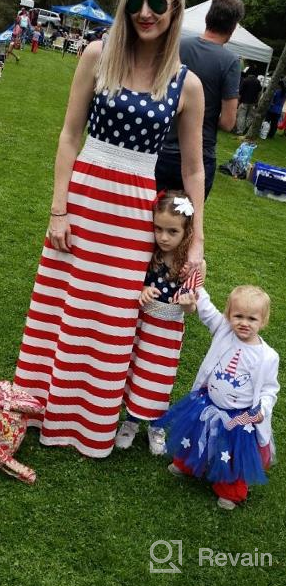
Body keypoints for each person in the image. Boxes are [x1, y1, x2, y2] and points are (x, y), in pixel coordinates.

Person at [14, 0, 205, 459]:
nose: (146, 11)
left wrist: (196, 240)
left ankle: (88, 421)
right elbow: (68, 134)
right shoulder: (97, 55)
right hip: (84, 200)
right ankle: (42, 407)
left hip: (135, 212)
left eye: (158, 3)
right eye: (137, 1)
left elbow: (195, 170)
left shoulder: (187, 84)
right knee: (62, 304)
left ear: (175, 9)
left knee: (111, 319)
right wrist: (59, 209)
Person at [157, 283, 280, 510]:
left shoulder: (268, 357)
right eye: (238, 316)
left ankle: (229, 490)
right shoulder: (223, 330)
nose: (244, 323)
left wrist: (262, 409)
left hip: (238, 417)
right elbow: (206, 310)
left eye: (252, 319)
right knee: (194, 437)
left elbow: (269, 389)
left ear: (263, 321)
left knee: (230, 453)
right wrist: (198, 287)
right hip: (207, 403)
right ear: (228, 315)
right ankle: (186, 464)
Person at [115, 190, 204, 455]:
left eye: (172, 231)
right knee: (134, 371)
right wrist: (143, 290)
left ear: (187, 232)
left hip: (168, 331)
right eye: (158, 229)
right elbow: (136, 281)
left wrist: (188, 302)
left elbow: (190, 307)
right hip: (142, 326)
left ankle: (156, 425)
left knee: (158, 378)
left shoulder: (192, 264)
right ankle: (130, 421)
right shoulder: (148, 252)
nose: (163, 237)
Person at [156, 0, 244, 200]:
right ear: (233, 27)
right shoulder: (230, 62)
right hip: (199, 153)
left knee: (150, 215)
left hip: (162, 146)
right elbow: (228, 122)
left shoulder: (178, 46)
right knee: (185, 223)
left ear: (207, 18)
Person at [235, 66, 262, 135]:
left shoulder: (245, 80)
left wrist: (238, 101)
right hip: (253, 102)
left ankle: (240, 131)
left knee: (241, 116)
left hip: (244, 101)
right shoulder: (258, 82)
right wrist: (257, 102)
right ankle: (246, 130)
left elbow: (240, 92)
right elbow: (259, 93)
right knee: (250, 117)